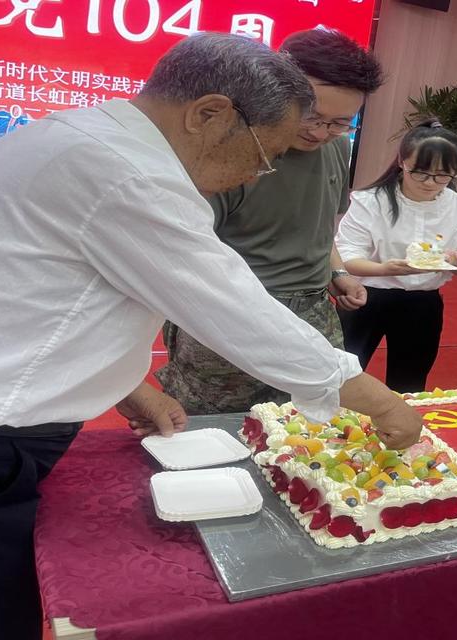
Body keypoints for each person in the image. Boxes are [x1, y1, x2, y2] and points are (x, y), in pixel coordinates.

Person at [0, 33, 421, 640]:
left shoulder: (78, 136)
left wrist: (131, 388)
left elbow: (52, 303)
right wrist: (378, 398)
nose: (258, 175)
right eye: (262, 155)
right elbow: (229, 304)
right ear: (208, 113)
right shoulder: (129, 176)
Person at [156, 28, 384, 414]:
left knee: (313, 424)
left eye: (339, 122)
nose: (320, 131)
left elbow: (319, 223)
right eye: (311, 115)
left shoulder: (335, 147)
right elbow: (190, 255)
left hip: (315, 312)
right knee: (215, 427)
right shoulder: (229, 150)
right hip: (233, 311)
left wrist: (337, 272)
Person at [335, 120, 457, 392]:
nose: (430, 183)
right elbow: (346, 256)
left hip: (422, 304)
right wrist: (385, 269)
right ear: (402, 162)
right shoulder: (371, 201)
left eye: (442, 175)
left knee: (410, 381)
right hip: (366, 297)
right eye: (420, 173)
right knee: (343, 375)